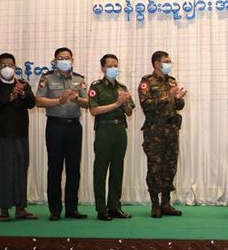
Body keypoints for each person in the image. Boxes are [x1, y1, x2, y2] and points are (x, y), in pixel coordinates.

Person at [35, 47, 89, 220]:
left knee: (74, 168)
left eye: (67, 58)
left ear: (72, 60)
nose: (64, 60)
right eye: (61, 57)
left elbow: (89, 102)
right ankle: (55, 210)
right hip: (55, 127)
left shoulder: (79, 79)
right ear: (55, 61)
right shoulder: (47, 78)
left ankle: (72, 209)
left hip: (74, 127)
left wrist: (77, 99)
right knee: (55, 168)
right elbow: (39, 100)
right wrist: (60, 100)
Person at [0, 53, 37, 221]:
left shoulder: (23, 84)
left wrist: (22, 93)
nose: (7, 68)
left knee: (21, 170)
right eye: (3, 65)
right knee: (4, 171)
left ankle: (21, 208)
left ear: (15, 67)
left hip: (21, 134)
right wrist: (11, 96)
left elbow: (31, 104)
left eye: (11, 65)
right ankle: (4, 209)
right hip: (1, 134)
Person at [139, 51, 187, 218]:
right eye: (166, 61)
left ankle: (165, 203)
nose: (168, 64)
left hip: (172, 130)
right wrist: (168, 96)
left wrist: (178, 98)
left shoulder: (172, 81)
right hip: (155, 132)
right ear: (156, 63)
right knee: (155, 168)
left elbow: (179, 106)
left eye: (169, 61)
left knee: (170, 167)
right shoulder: (147, 82)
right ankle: (155, 204)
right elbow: (146, 105)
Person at [89, 54, 135, 221]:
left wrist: (125, 102)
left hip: (120, 129)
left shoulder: (122, 88)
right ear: (103, 68)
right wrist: (116, 104)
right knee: (101, 169)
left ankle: (114, 206)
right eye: (110, 66)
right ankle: (101, 208)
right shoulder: (96, 86)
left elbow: (129, 112)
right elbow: (93, 110)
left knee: (117, 169)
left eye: (116, 65)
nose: (113, 68)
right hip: (104, 129)